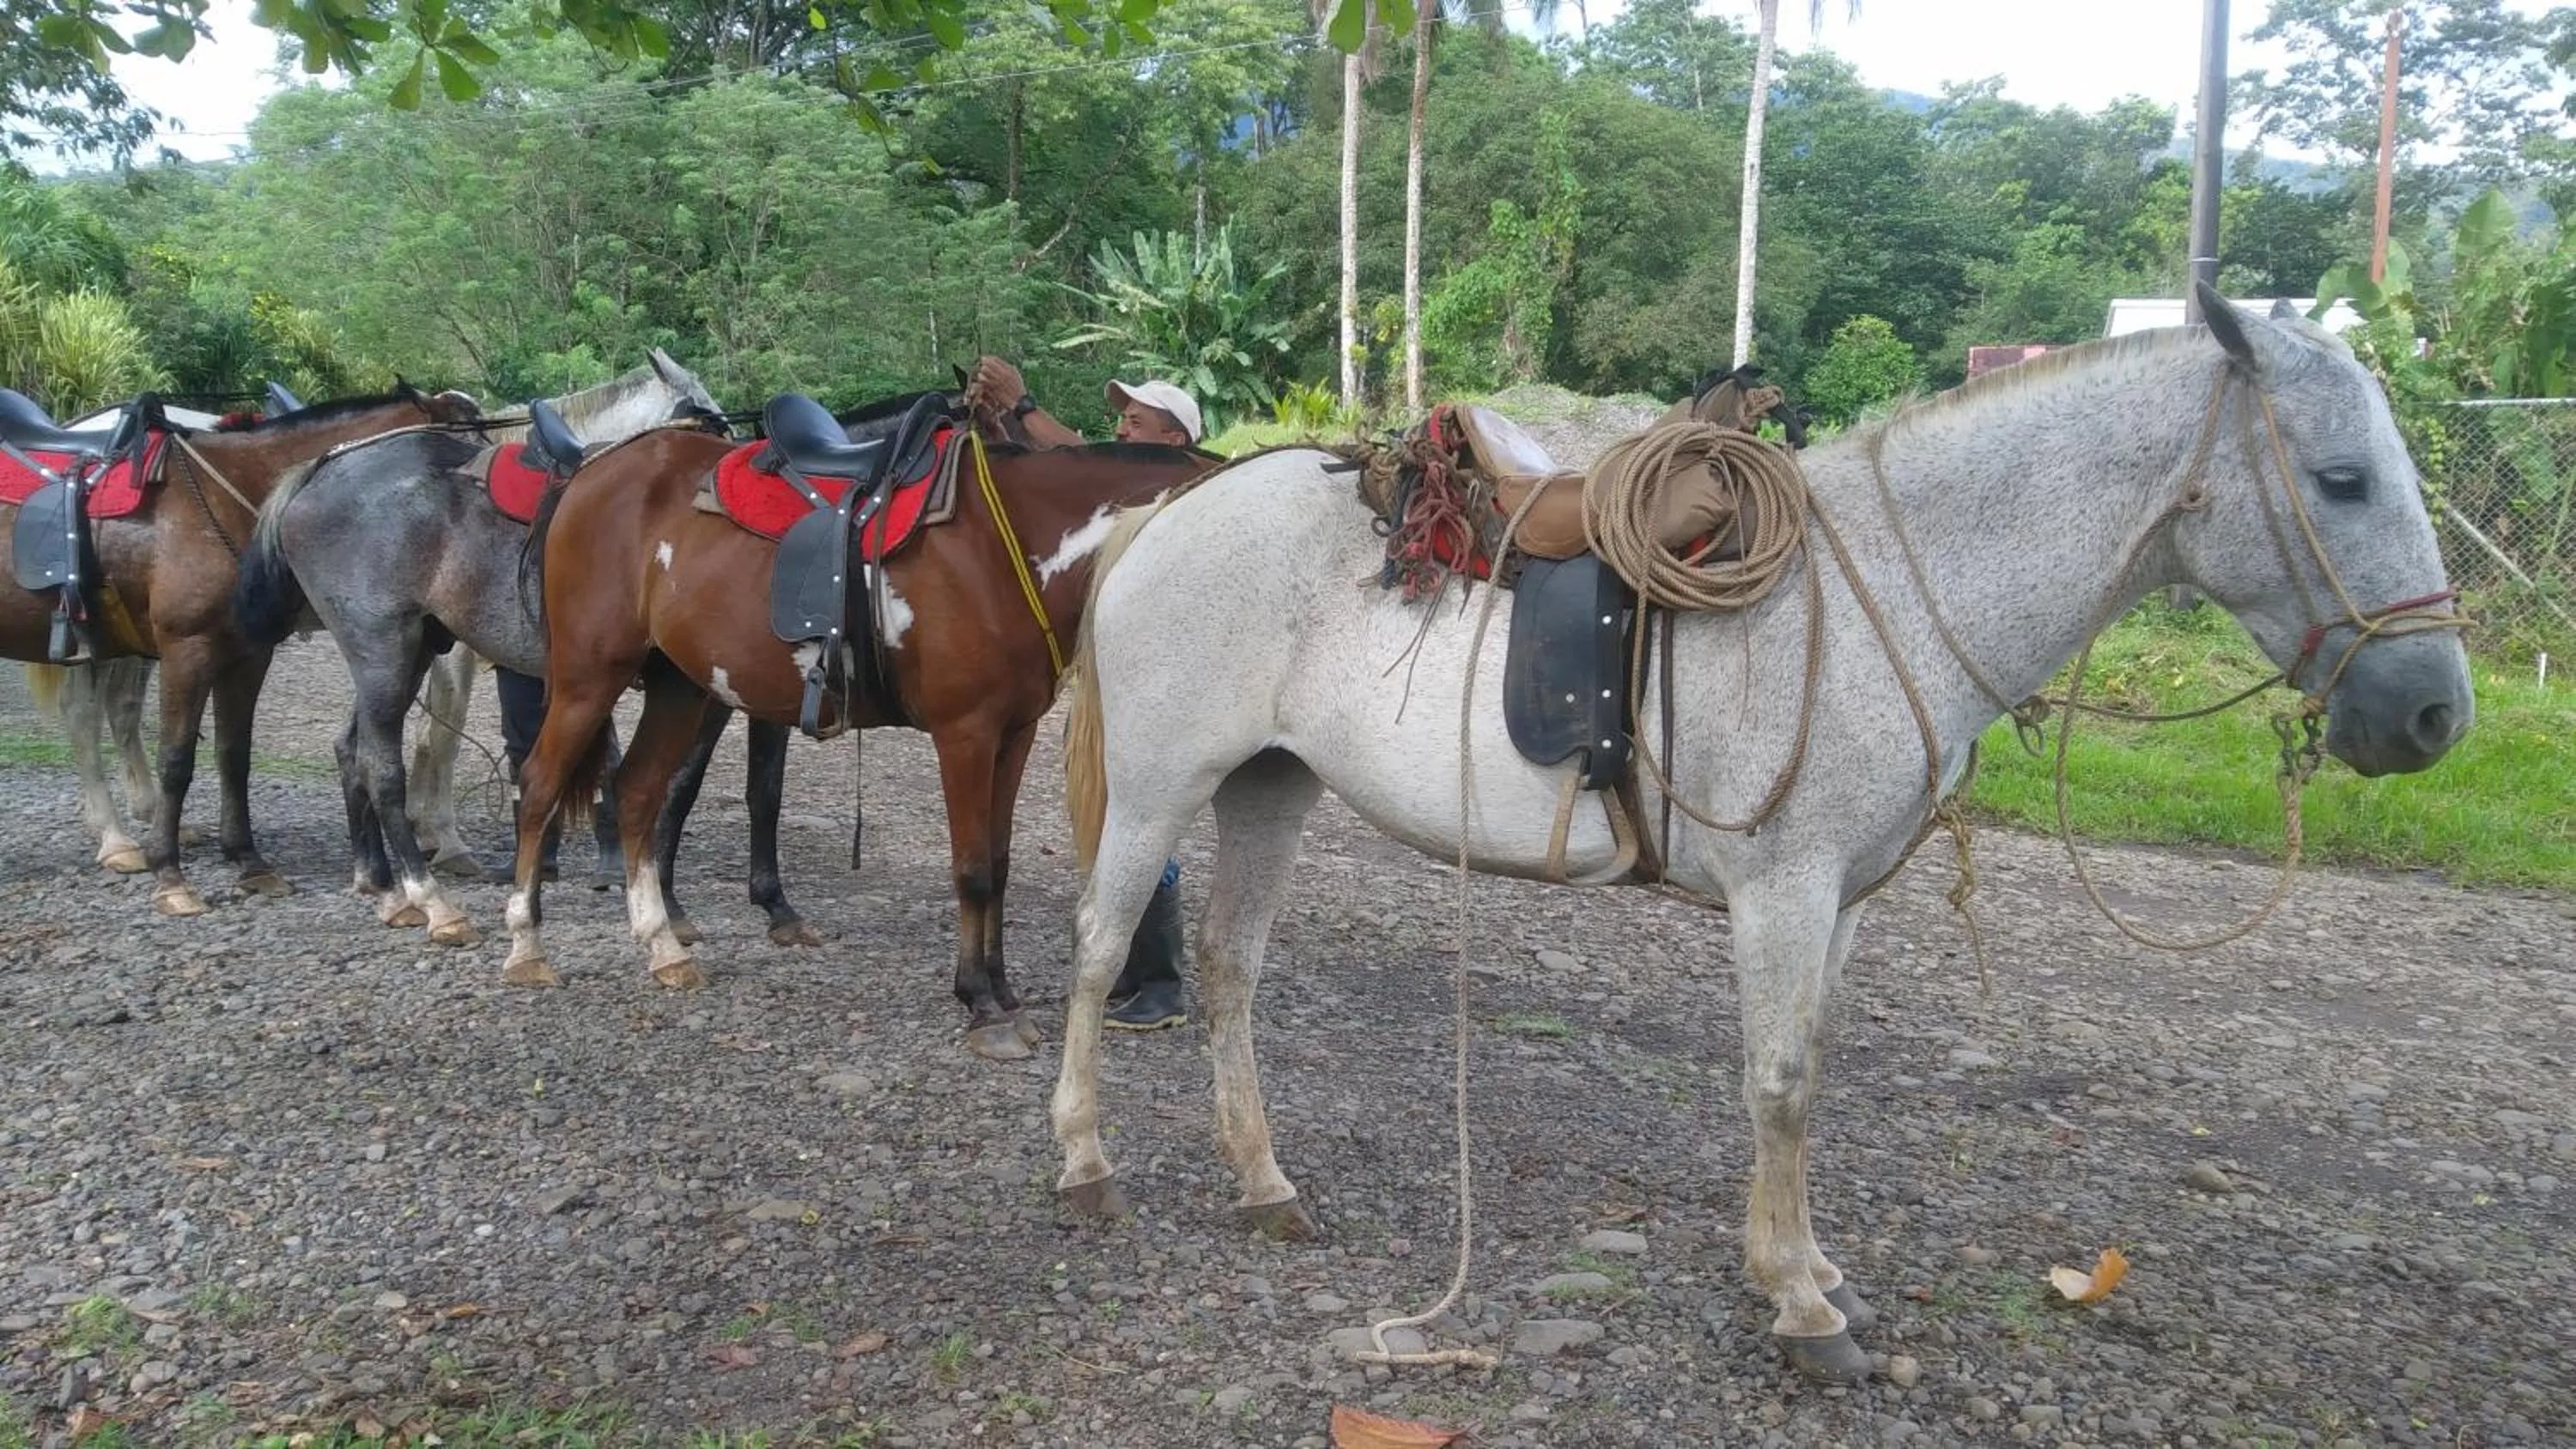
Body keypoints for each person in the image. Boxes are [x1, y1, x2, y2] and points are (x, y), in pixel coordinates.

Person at [971, 355, 1197, 1031]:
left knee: (1143, 818)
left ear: (1174, 440)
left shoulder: (1175, 488)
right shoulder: (1118, 493)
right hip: (1114, 679)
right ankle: (1132, 971)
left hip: (1157, 686)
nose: (1121, 431)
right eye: (1120, 420)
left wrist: (1022, 404)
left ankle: (1161, 983)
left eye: (1136, 421)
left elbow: (1071, 450)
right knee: (1105, 821)